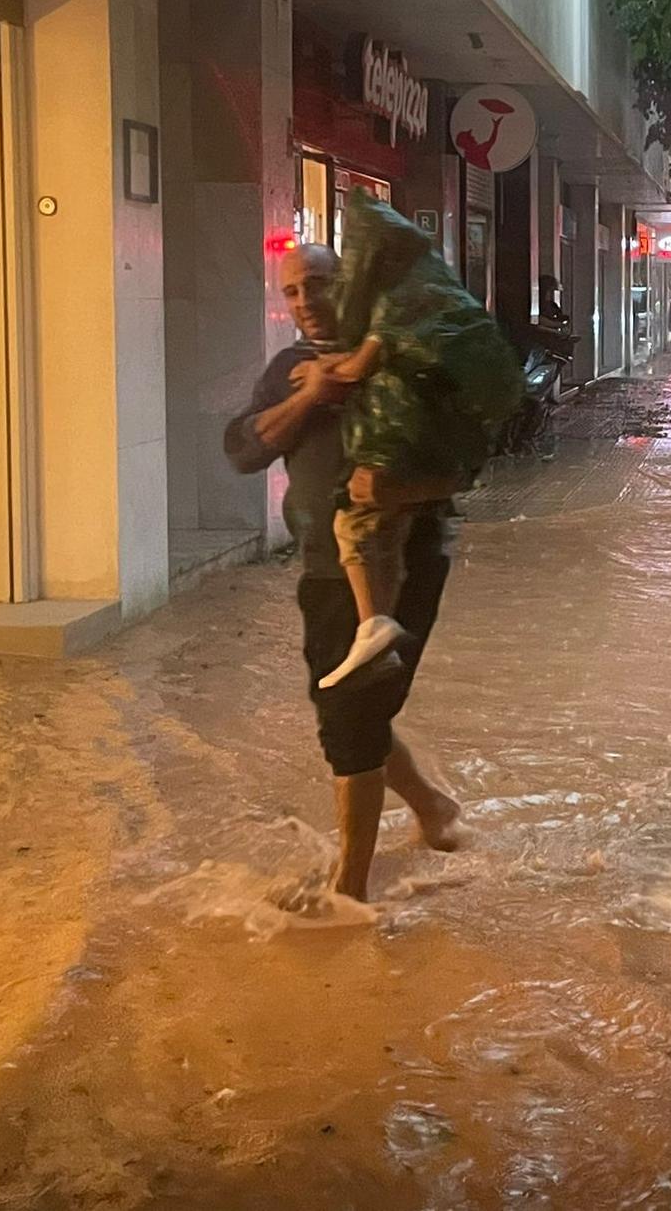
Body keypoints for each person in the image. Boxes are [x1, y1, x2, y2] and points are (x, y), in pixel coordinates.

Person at [225, 241, 466, 901]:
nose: (306, 303)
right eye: (293, 292)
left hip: (407, 569)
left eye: (320, 286)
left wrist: (400, 495)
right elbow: (244, 449)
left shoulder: (404, 363)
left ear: (351, 285)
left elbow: (465, 471)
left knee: (353, 716)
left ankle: (349, 889)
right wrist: (312, 399)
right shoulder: (290, 371)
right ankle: (432, 807)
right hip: (324, 570)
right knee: (342, 708)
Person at [311, 192, 521, 689]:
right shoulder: (435, 288)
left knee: (356, 517)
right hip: (446, 439)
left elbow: (359, 366)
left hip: (406, 438)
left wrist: (325, 370)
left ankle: (373, 624)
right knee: (382, 527)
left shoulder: (397, 303)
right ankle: (377, 631)